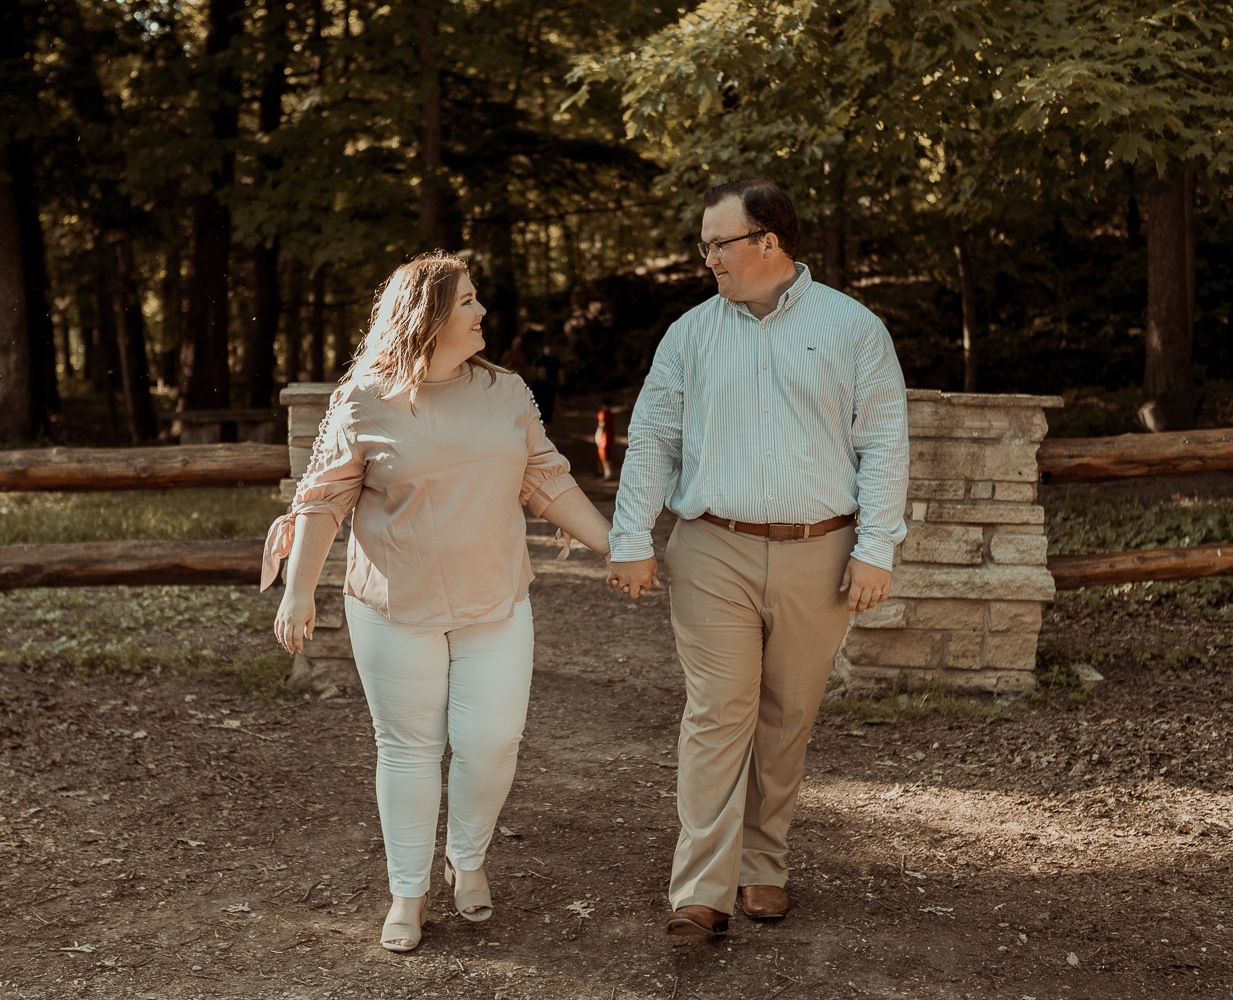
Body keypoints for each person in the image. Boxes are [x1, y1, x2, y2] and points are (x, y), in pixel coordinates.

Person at [261, 252, 613, 953]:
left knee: (492, 742)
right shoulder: (363, 398)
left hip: (495, 601)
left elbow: (546, 480)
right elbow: (323, 502)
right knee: (409, 749)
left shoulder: (506, 391)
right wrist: (298, 592)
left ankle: (467, 857)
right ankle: (408, 891)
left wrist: (617, 546)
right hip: (393, 607)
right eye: (468, 302)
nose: (482, 311)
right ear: (427, 316)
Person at [605, 179, 909, 937]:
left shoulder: (854, 328)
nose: (708, 258)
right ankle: (700, 890)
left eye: (719, 243)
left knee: (787, 719)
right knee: (718, 713)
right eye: (705, 244)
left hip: (820, 551)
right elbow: (653, 440)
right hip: (713, 548)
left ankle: (763, 866)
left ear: (767, 241)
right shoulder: (690, 334)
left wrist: (876, 548)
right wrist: (631, 537)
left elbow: (883, 443)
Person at [594, 398, 616, 480]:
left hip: (604, 436)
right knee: (607, 454)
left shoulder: (603, 413)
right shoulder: (610, 414)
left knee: (603, 454)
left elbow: (602, 425)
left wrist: (597, 435)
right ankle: (607, 472)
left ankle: (607, 473)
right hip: (610, 436)